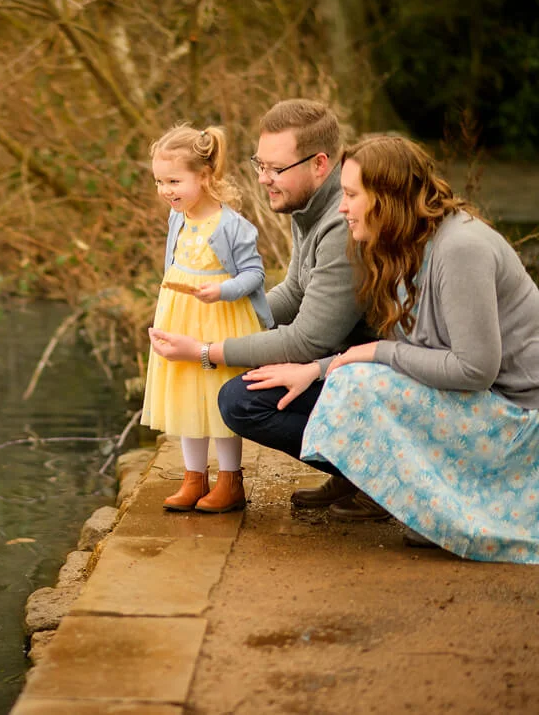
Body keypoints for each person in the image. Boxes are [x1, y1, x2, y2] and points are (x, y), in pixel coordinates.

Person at [270, 134, 539, 562]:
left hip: (519, 426)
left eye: (352, 195)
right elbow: (414, 353)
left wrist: (373, 353)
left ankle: (442, 510)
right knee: (344, 377)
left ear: (388, 197)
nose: (342, 207)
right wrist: (317, 370)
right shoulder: (403, 245)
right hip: (483, 409)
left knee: (359, 382)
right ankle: (421, 505)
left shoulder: (460, 248)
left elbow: (475, 369)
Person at [148, 99, 376, 513]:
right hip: (344, 360)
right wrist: (222, 319)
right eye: (259, 164)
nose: (263, 179)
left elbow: (308, 339)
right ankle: (351, 475)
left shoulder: (343, 222)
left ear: (319, 163)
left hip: (379, 374)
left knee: (240, 400)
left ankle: (374, 474)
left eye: (275, 169)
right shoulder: (305, 202)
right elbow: (294, 291)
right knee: (244, 378)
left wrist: (207, 352)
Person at [141, 123, 274, 514]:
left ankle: (230, 480)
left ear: (204, 176)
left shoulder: (232, 225)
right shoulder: (177, 219)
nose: (166, 190)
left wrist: (223, 290)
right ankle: (193, 477)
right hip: (182, 316)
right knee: (186, 394)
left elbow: (254, 275)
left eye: (174, 180)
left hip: (220, 321)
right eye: (159, 182)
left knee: (217, 399)